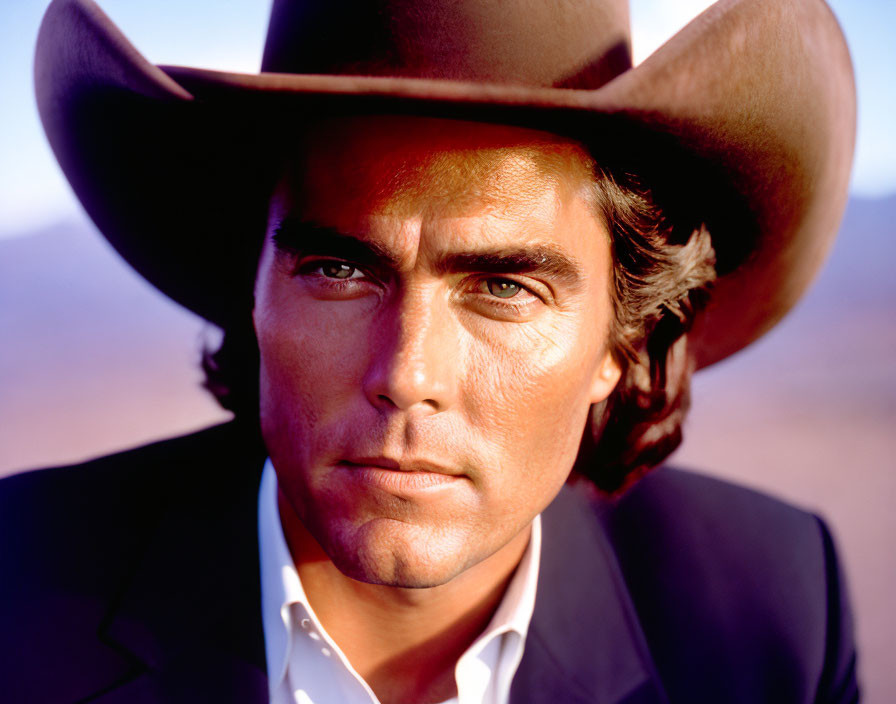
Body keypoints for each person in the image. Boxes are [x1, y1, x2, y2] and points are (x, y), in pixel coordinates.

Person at [0, 0, 858, 702]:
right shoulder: (19, 587)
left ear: (621, 335)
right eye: (338, 270)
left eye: (505, 287)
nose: (407, 375)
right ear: (251, 286)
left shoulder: (772, 616)